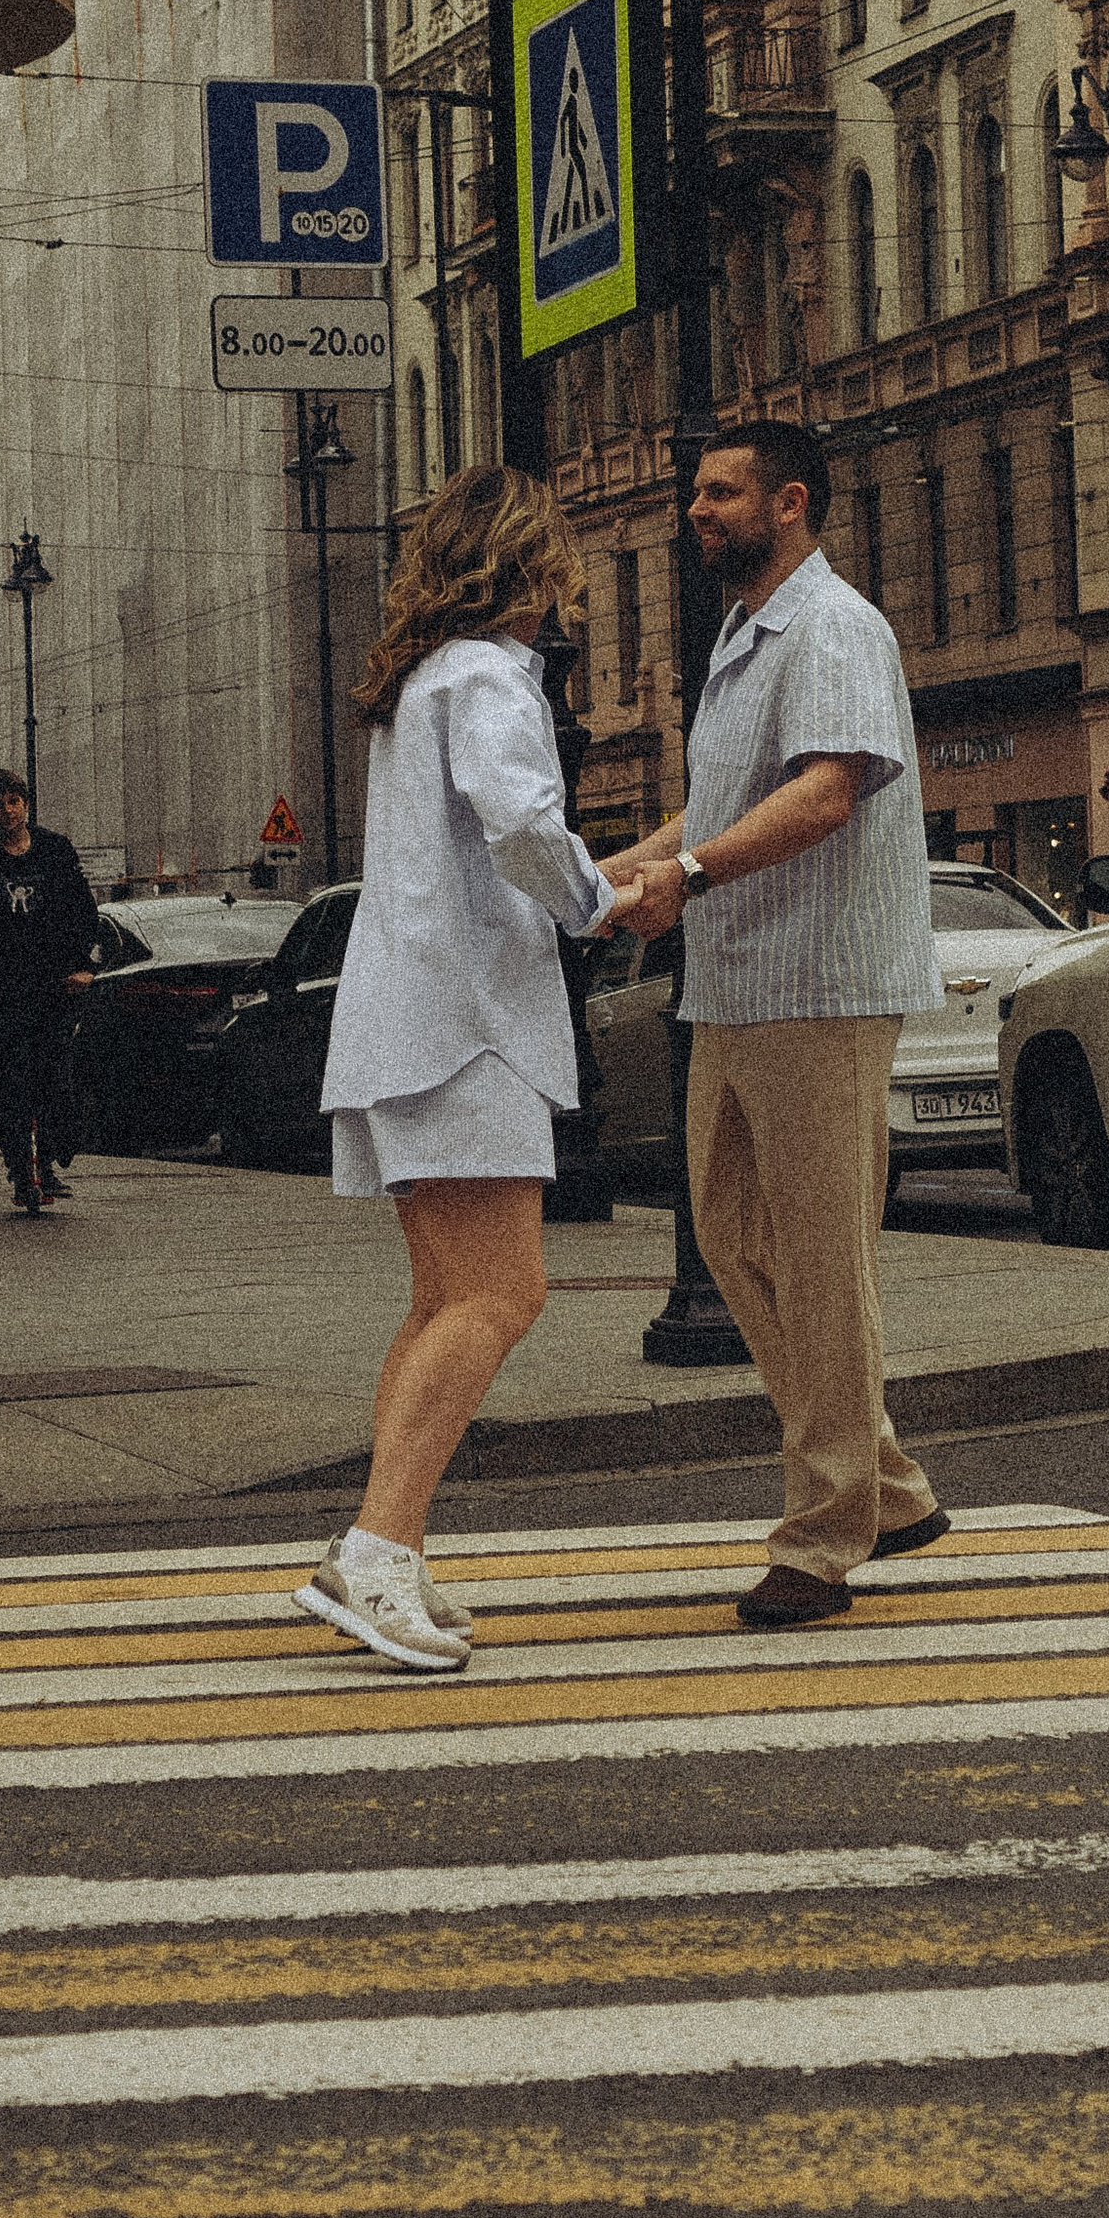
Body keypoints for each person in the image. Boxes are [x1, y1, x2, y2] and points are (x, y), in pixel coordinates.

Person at [299, 465, 636, 1673]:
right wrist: (595, 903)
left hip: (407, 1019)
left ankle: (378, 1549)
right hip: (466, 1025)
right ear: (529, 566)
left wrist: (584, 883)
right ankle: (380, 1547)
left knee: (446, 1301)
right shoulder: (490, 675)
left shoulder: (420, 681)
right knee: (502, 1295)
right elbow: (523, 824)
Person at [619, 422, 950, 1629]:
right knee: (730, 1238)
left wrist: (689, 875)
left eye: (721, 492)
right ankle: (888, 1485)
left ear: (791, 503)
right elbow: (718, 806)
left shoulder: (831, 627)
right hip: (737, 983)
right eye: (696, 492)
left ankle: (823, 1534)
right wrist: (613, 873)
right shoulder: (741, 635)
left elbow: (825, 792)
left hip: (819, 983)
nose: (697, 510)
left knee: (818, 1259)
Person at [0, 769, 102, 1217]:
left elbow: (83, 912)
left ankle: (48, 1159)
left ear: (26, 804)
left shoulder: (55, 850)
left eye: (14, 801)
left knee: (55, 1079)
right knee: (10, 1082)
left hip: (51, 986)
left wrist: (84, 967)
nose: (8, 811)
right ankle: (20, 1168)